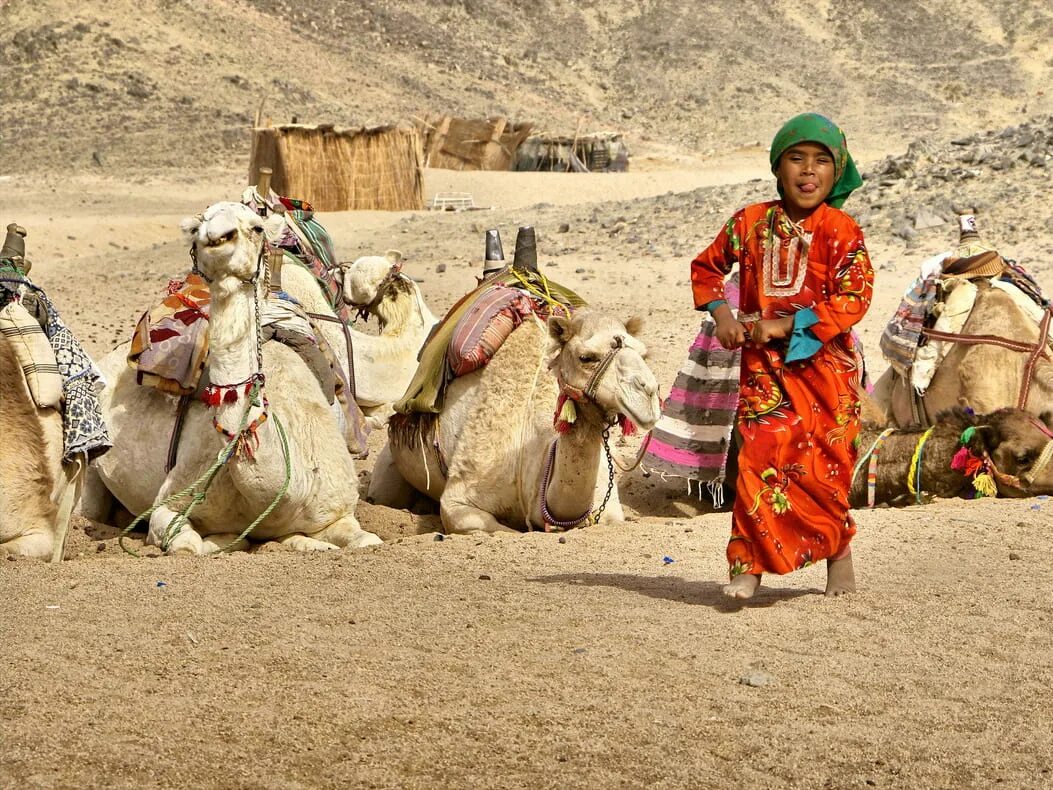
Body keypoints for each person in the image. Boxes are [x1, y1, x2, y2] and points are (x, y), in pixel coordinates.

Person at [690, 112, 873, 599]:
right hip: (764, 372)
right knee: (759, 457)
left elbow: (853, 298)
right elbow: (707, 270)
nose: (808, 171)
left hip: (827, 372)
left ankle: (839, 557)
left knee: (826, 466)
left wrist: (787, 324)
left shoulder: (842, 230)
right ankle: (748, 567)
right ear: (777, 167)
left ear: (837, 172)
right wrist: (724, 316)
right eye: (796, 158)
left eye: (821, 161)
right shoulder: (749, 222)